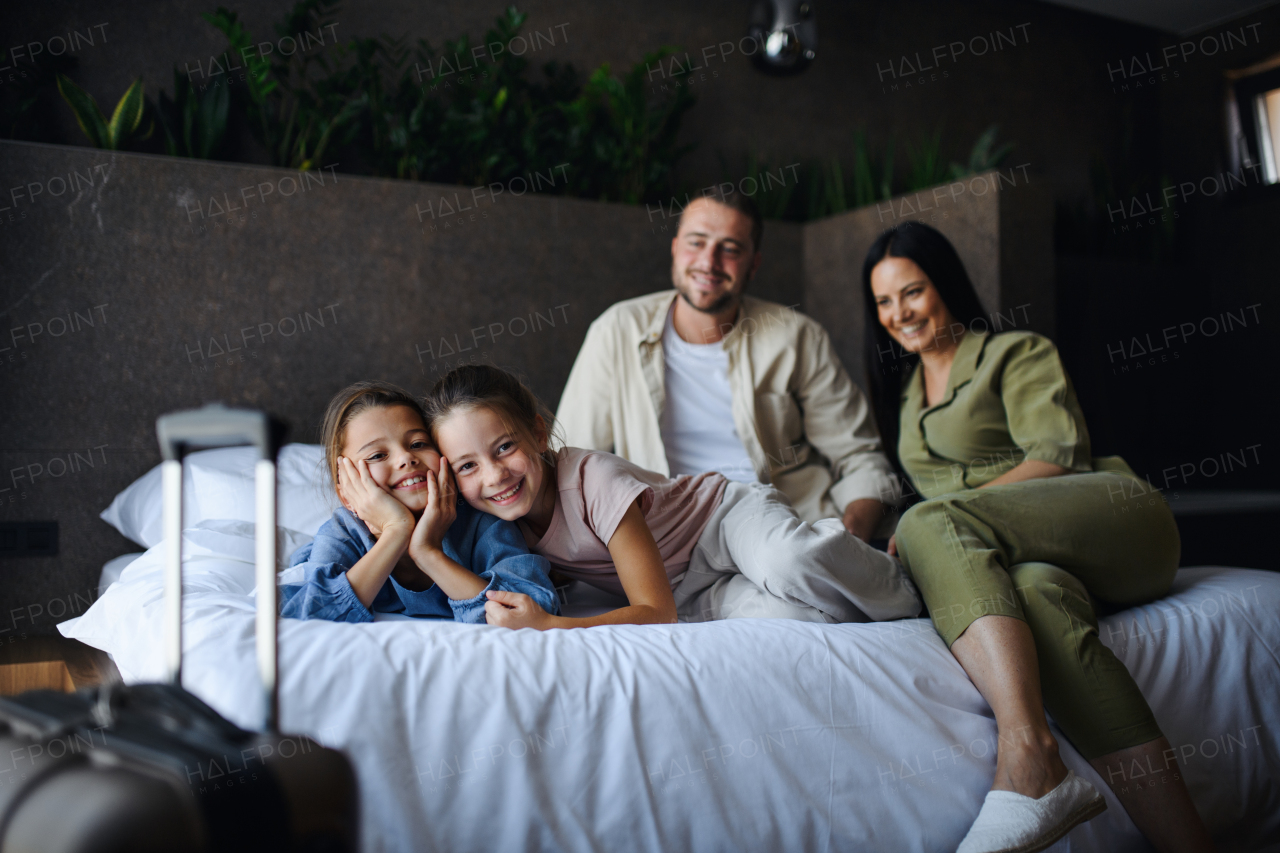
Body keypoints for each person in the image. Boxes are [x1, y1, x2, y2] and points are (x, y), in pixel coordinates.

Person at [863, 222, 1213, 853]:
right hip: (1027, 558)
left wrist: (940, 524)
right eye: (884, 302)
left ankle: (1028, 757)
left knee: (926, 520)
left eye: (911, 292)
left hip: (1112, 518)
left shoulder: (1012, 352)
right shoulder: (908, 394)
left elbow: (1056, 453)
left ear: (945, 286)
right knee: (1036, 599)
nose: (898, 314)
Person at [424, 364, 920, 628]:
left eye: (505, 447)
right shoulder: (493, 521)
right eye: (467, 466)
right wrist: (418, 542)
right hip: (686, 589)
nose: (493, 476)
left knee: (789, 564)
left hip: (720, 523)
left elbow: (652, 612)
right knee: (794, 618)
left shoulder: (593, 480)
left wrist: (551, 627)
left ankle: (907, 585)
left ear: (537, 432)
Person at [556, 191, 895, 541]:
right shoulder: (616, 330)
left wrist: (848, 539)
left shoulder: (797, 337)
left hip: (788, 528)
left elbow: (860, 456)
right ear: (675, 249)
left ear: (754, 263)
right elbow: (569, 464)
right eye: (696, 242)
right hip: (668, 540)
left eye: (730, 248)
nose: (709, 262)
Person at [281, 381, 559, 624]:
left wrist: (428, 552)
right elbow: (307, 614)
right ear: (347, 493)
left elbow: (533, 607)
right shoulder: (346, 532)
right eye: (377, 456)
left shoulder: (479, 521)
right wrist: (396, 531)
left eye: (417, 444)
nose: (405, 458)